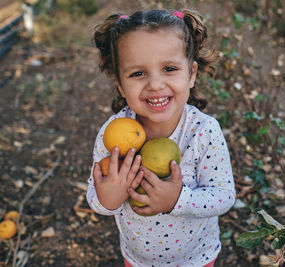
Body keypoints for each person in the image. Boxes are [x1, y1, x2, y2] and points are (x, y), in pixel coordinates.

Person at [86, 8, 236, 267]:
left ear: (191, 74)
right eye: (138, 73)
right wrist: (108, 199)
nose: (155, 84)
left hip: (196, 258)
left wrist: (178, 199)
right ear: (121, 85)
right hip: (138, 259)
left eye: (169, 68)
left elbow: (224, 196)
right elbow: (94, 192)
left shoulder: (203, 131)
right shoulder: (113, 134)